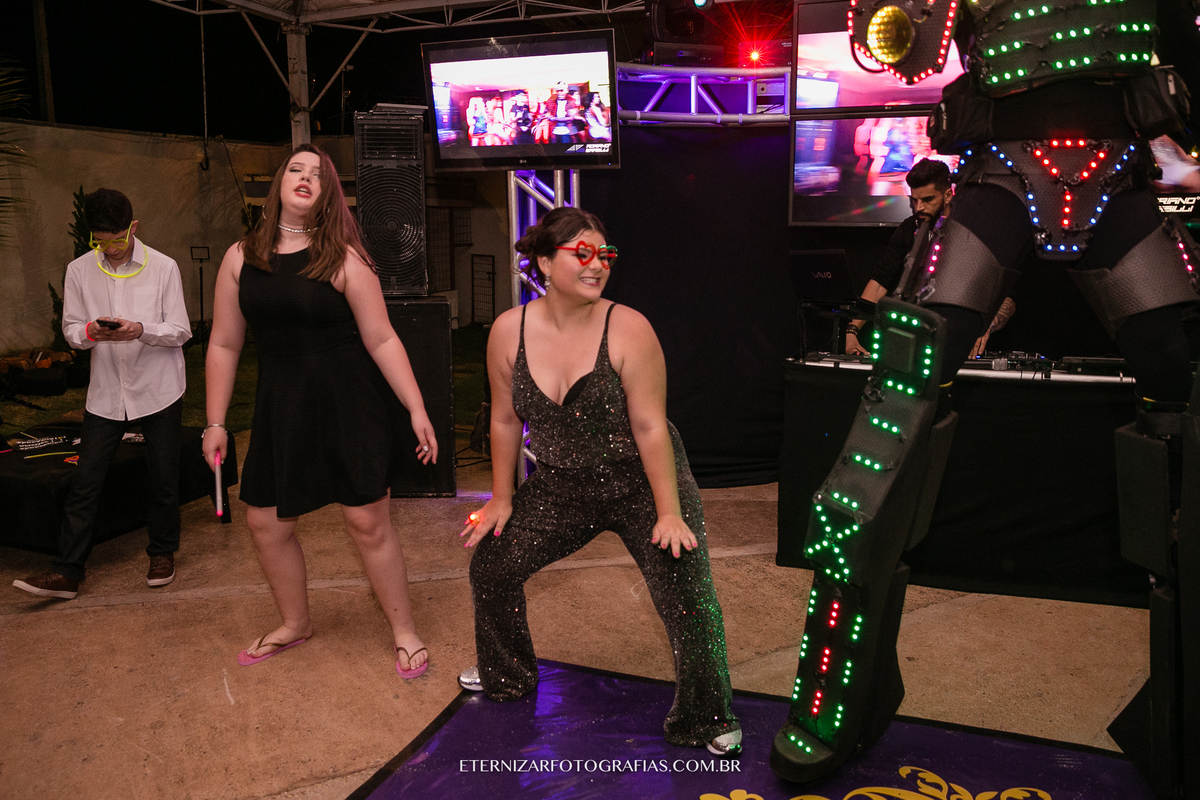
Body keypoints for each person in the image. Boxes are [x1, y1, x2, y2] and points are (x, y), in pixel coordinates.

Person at [456, 207, 743, 756]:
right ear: (545, 262)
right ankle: (507, 673)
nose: (597, 265)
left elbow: (650, 426)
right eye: (582, 254)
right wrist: (501, 497)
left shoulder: (629, 327)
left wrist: (669, 511)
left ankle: (706, 716)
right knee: (492, 564)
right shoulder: (508, 331)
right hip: (562, 485)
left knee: (688, 595)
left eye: (605, 255)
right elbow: (504, 420)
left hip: (642, 483)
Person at [202, 144, 438, 678]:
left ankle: (405, 631)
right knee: (265, 523)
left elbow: (382, 339)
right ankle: (296, 623)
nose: (305, 178)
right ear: (279, 183)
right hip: (281, 405)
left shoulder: (345, 257)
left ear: (329, 195)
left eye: (318, 175)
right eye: (296, 169)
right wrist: (215, 423)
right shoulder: (241, 257)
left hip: (346, 400)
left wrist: (416, 407)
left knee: (366, 520)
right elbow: (223, 344)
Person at [13, 189, 192, 600]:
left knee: (163, 476)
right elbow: (71, 331)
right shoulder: (79, 270)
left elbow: (181, 330)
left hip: (159, 388)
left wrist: (141, 330)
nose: (110, 248)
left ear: (133, 227)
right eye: (101, 241)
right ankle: (67, 572)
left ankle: (162, 553)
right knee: (86, 481)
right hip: (107, 391)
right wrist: (90, 332)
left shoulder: (163, 267)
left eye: (118, 239)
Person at [844, 158, 1014, 358]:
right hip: (915, 342)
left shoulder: (975, 231)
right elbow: (881, 281)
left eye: (927, 200)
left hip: (962, 346)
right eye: (915, 200)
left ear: (948, 195)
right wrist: (852, 330)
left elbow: (1007, 297)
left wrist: (986, 327)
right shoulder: (909, 229)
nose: (919, 208)